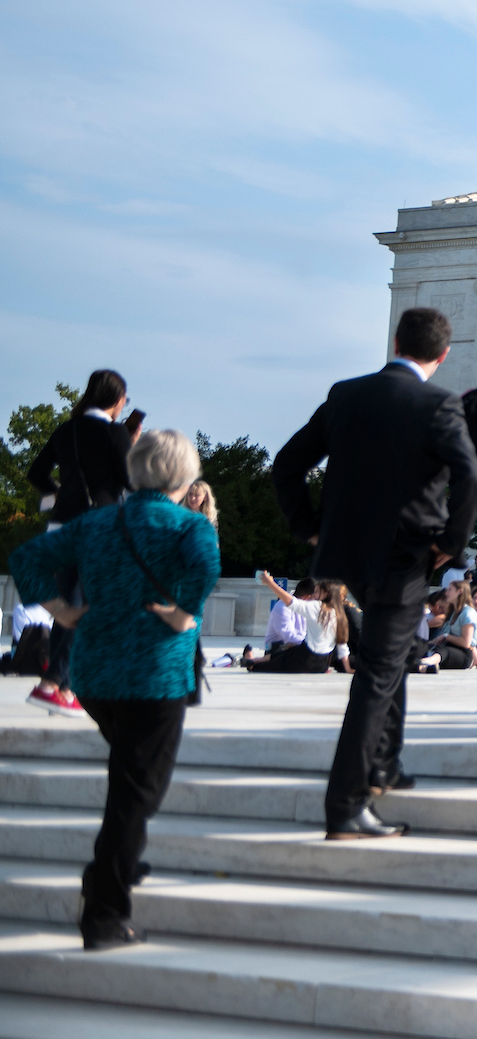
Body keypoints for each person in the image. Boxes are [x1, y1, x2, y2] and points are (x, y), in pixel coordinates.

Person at [275, 306, 477, 837]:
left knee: (389, 657)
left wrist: (309, 527)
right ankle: (345, 805)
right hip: (406, 556)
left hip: (350, 556)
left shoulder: (347, 394)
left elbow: (288, 462)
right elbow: (471, 475)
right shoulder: (439, 402)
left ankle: (386, 762)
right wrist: (450, 543)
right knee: (377, 675)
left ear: (396, 341)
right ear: (443, 354)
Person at [10, 427, 219, 950]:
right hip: (155, 676)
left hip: (96, 674)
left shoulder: (97, 521)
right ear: (186, 475)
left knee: (130, 776)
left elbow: (26, 559)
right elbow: (206, 568)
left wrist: (61, 610)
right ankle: (104, 910)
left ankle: (119, 860)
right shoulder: (189, 526)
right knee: (138, 790)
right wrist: (182, 615)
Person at [23, 369, 138, 716]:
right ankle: (51, 683)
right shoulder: (114, 432)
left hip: (61, 527)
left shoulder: (66, 429)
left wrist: (58, 495)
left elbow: (36, 473)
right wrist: (130, 444)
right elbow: (130, 481)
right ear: (117, 400)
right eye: (124, 400)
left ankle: (65, 689)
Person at [243, 572, 339, 672]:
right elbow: (288, 636)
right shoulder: (282, 608)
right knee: (260, 666)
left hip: (299, 648)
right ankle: (251, 661)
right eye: (315, 595)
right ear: (308, 597)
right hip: (279, 647)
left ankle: (253, 659)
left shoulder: (315, 609)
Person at [428, 582, 477, 669]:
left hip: (464, 654)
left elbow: (466, 643)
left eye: (450, 590)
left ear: (459, 592)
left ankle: (428, 662)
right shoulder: (453, 612)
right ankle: (423, 667)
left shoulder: (468, 613)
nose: (446, 593)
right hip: (450, 650)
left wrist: (446, 636)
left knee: (443, 650)